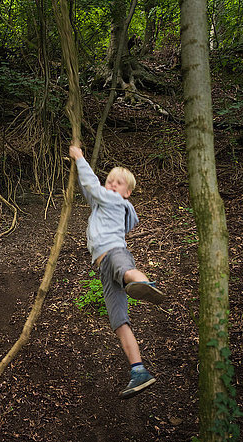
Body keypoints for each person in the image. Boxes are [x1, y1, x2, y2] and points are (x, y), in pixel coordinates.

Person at [69, 145, 165, 399]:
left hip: (113, 253)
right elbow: (92, 193)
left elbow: (91, 185)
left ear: (128, 193)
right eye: (109, 180)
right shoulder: (110, 207)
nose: (111, 185)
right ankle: (139, 371)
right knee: (119, 322)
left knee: (126, 270)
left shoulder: (114, 200)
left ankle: (147, 285)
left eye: (118, 183)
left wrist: (79, 158)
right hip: (104, 268)